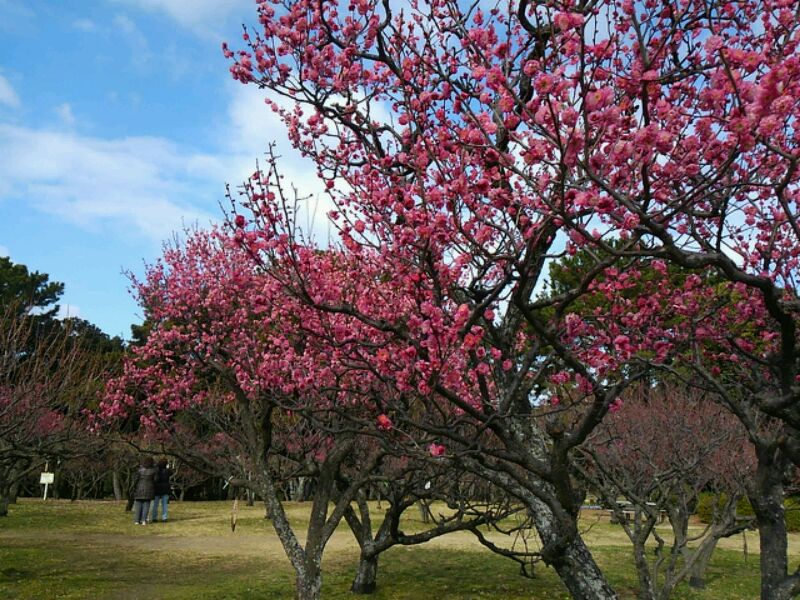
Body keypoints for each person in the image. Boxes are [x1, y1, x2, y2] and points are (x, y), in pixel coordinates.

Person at [132, 456, 157, 525]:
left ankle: (137, 520)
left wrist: (134, 487)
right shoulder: (153, 470)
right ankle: (144, 520)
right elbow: (155, 480)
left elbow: (135, 479)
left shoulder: (139, 470)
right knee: (146, 505)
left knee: (138, 505)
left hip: (139, 488)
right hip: (149, 488)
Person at [150, 458, 172, 522]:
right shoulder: (167, 471)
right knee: (164, 504)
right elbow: (171, 472)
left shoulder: (156, 471)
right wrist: (168, 467)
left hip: (157, 488)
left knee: (155, 504)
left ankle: (154, 518)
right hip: (165, 488)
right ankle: (164, 518)